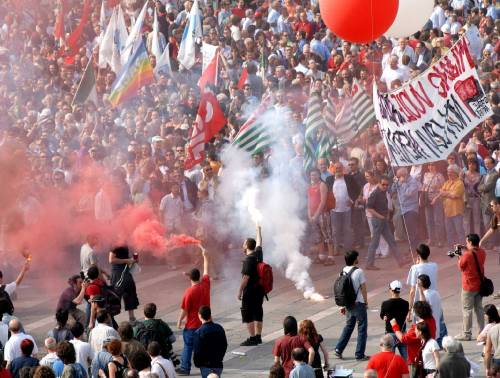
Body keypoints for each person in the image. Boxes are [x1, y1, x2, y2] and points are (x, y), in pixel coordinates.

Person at [176, 248, 210, 375]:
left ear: (190, 278)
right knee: (204, 346)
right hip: (205, 322)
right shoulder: (206, 284)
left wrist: (179, 321)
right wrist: (205, 256)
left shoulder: (189, 292)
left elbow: (185, 309)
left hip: (192, 325)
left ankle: (185, 368)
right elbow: (206, 269)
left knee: (188, 346)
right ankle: (206, 365)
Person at [366, 176, 407, 270]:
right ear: (379, 184)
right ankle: (369, 263)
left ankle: (400, 261)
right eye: (383, 184)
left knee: (391, 240)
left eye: (387, 185)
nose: (385, 186)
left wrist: (387, 213)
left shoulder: (383, 193)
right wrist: (380, 216)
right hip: (378, 220)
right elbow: (369, 208)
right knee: (374, 242)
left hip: (383, 220)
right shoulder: (375, 193)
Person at [334, 250, 369, 361]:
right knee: (362, 328)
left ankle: (338, 349)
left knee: (349, 327)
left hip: (348, 304)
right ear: (355, 259)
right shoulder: (359, 271)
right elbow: (363, 288)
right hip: (359, 303)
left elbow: (341, 290)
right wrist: (366, 301)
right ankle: (359, 354)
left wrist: (342, 306)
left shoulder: (342, 271)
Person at [390, 301, 436, 374]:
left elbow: (403, 339)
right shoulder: (431, 319)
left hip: (417, 359)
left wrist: (394, 326)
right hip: (429, 357)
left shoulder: (418, 328)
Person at [456, 233, 486, 341]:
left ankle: (467, 334)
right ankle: (482, 332)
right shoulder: (482, 252)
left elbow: (461, 266)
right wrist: (465, 249)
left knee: (467, 310)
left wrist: (459, 255)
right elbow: (475, 254)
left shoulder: (467, 255)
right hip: (480, 285)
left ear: (470, 242)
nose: (466, 244)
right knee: (479, 309)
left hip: (468, 286)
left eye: (467, 242)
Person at [238, 226, 265, 346]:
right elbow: (259, 241)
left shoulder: (248, 260)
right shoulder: (258, 254)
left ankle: (252, 338)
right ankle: (258, 336)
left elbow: (245, 278)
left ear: (246, 246)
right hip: (259, 289)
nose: (243, 245)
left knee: (248, 313)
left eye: (244, 244)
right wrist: (258, 230)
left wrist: (239, 291)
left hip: (249, 291)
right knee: (258, 311)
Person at [330, 162, 360, 256]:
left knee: (347, 229)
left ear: (342, 168)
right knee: (335, 230)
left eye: (340, 168)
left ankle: (348, 249)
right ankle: (336, 248)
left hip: (347, 209)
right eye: (336, 168)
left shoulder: (349, 178)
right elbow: (326, 192)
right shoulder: (329, 179)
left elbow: (357, 189)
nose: (338, 169)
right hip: (334, 210)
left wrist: (352, 200)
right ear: (333, 169)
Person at [307, 169, 335, 266]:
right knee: (318, 236)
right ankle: (321, 255)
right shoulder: (310, 186)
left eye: (315, 175)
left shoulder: (322, 185)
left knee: (327, 234)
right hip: (313, 215)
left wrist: (316, 215)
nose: (313, 177)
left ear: (319, 175)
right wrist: (309, 215)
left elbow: (323, 202)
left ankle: (331, 257)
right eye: (311, 175)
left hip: (322, 214)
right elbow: (309, 202)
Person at [434, 164, 466, 247]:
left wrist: (445, 193)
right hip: (447, 211)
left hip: (456, 211)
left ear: (455, 173)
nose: (448, 174)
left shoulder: (460, 183)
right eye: (448, 172)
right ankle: (451, 249)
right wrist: (447, 193)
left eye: (451, 172)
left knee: (459, 231)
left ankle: (462, 248)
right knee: (449, 231)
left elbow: (455, 195)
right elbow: (441, 193)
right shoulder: (447, 182)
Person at [193, 306, 228, 378]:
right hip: (218, 364)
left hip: (206, 366)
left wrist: (198, 363)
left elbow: (197, 351)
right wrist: (220, 358)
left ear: (199, 316)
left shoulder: (199, 332)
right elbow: (224, 345)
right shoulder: (219, 328)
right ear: (210, 315)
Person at [406, 244, 438, 321]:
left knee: (420, 328)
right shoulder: (434, 266)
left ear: (418, 255)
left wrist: (409, 311)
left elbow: (412, 291)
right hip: (433, 300)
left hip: (419, 303)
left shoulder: (414, 268)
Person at [393, 167, 421, 253]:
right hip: (402, 209)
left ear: (404, 175)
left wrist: (403, 183)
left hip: (411, 209)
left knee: (411, 231)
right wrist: (395, 183)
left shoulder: (413, 182)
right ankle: (413, 247)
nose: (398, 178)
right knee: (407, 231)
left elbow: (408, 193)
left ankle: (414, 249)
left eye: (399, 176)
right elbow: (392, 190)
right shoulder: (399, 181)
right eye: (397, 177)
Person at [379, 280, 409, 360]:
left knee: (390, 358)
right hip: (402, 333)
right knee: (406, 358)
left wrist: (384, 317)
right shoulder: (406, 303)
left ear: (391, 290)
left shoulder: (385, 303)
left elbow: (382, 315)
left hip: (390, 333)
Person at [109, 246, 139, 323]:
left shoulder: (125, 242)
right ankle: (110, 319)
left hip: (126, 272)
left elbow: (125, 257)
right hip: (118, 274)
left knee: (130, 294)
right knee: (115, 297)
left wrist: (133, 260)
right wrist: (127, 260)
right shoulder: (115, 243)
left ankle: (132, 318)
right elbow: (111, 260)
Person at [421, 163, 446, 248]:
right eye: (429, 165)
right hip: (427, 200)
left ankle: (440, 240)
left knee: (438, 221)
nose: (430, 167)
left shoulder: (439, 176)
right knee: (429, 221)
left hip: (437, 199)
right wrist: (421, 197)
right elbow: (423, 186)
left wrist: (436, 197)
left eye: (432, 165)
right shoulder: (426, 174)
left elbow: (443, 189)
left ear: (435, 166)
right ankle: (431, 239)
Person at [416, 275, 445, 346]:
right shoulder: (435, 293)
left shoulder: (424, 295)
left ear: (421, 284)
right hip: (436, 325)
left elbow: (422, 306)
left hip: (427, 327)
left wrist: (420, 289)